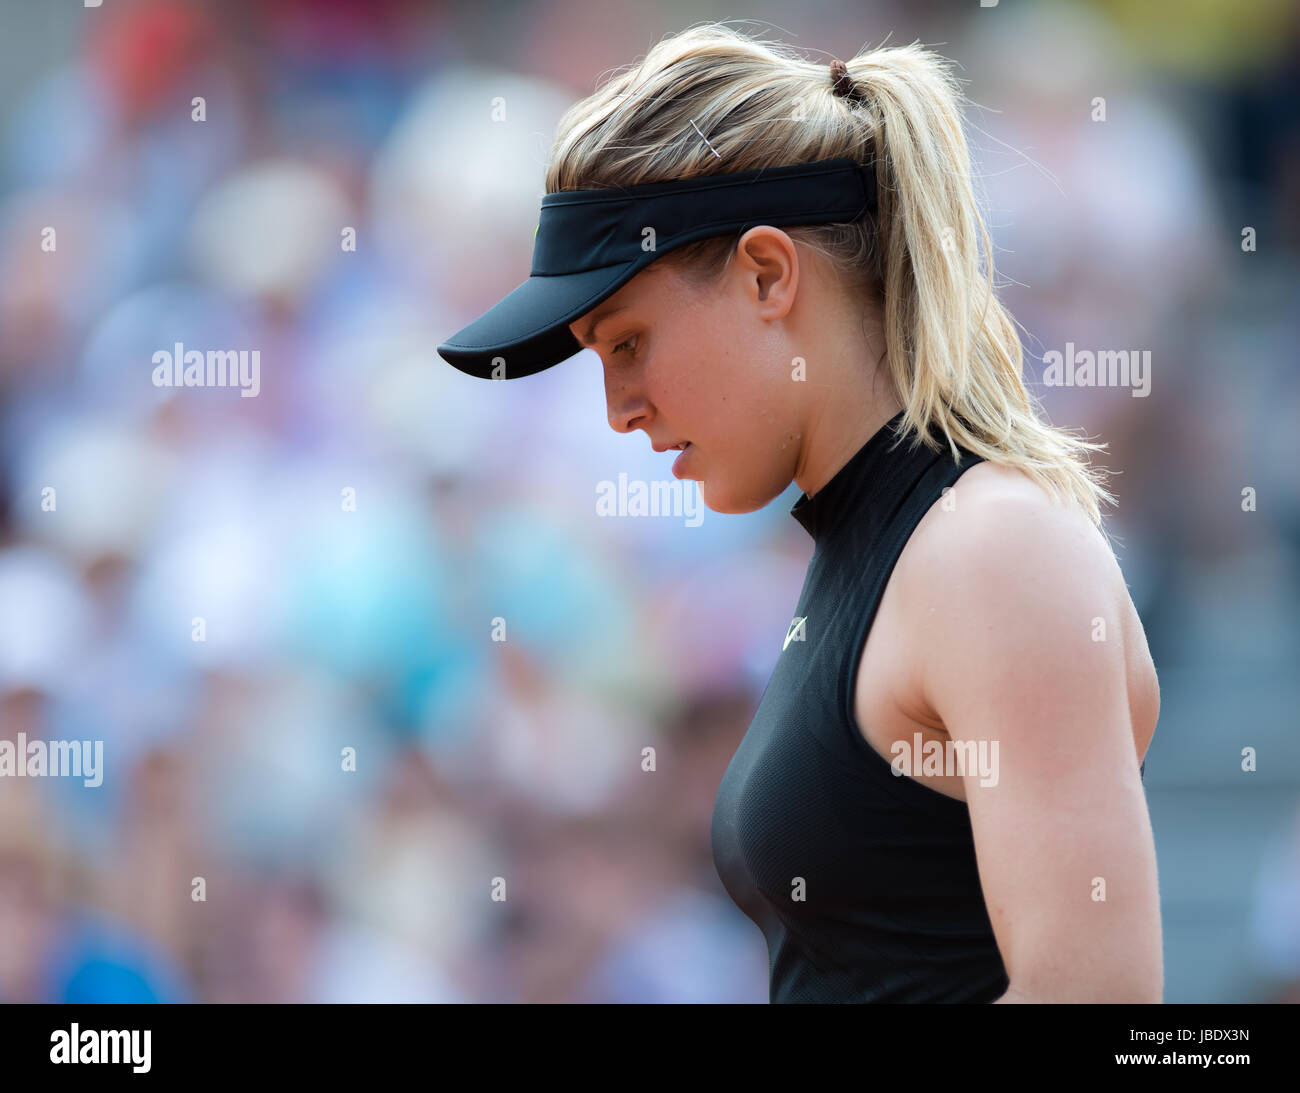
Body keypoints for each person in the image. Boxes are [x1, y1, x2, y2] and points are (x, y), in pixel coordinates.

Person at [437, 23, 1162, 1003]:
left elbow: (1105, 1011)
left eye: (629, 342)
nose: (617, 410)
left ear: (769, 275)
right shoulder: (874, 546)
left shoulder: (991, 549)